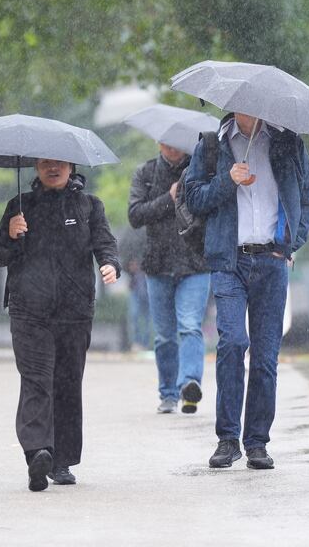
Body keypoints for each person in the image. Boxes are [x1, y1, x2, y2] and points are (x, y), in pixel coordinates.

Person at [184, 112, 309, 470]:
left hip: (273, 263)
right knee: (232, 343)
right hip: (229, 260)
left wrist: (290, 244)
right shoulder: (212, 145)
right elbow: (192, 198)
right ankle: (227, 439)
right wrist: (227, 181)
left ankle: (257, 441)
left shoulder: (288, 143)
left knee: (264, 357)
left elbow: (308, 200)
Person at [0, 158, 120, 491]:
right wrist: (10, 234)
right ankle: (37, 454)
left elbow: (105, 243)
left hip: (74, 312)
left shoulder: (90, 206)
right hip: (29, 311)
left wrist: (110, 264)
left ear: (72, 166)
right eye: (45, 163)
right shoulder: (20, 206)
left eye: (59, 163)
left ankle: (61, 461)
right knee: (36, 381)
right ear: (35, 167)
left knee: (67, 383)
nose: (52, 168)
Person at [128, 142, 210, 414]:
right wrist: (169, 198)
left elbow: (212, 207)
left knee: (189, 326)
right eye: (166, 140)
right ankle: (168, 393)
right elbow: (135, 215)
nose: (171, 146)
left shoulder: (200, 170)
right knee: (164, 336)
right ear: (158, 142)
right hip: (157, 264)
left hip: (195, 263)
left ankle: (190, 383)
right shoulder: (146, 173)